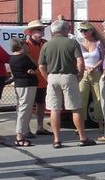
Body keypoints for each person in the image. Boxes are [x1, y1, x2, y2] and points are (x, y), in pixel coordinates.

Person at [37, 19, 96, 148]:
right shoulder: (72, 43)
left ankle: (57, 140)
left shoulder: (46, 45)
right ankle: (83, 138)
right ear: (64, 30)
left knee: (54, 109)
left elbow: (41, 66)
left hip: (52, 77)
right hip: (69, 76)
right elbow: (80, 61)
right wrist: (79, 75)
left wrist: (48, 78)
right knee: (75, 108)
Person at [76, 21, 105, 131]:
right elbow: (77, 59)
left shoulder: (98, 43)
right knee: (81, 98)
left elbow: (103, 58)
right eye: (81, 30)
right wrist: (85, 68)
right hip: (83, 74)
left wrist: (94, 67)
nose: (83, 32)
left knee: (98, 98)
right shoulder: (79, 43)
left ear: (91, 31)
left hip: (96, 73)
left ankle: (100, 124)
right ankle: (80, 125)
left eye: (85, 30)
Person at [9, 38, 38, 147]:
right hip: (27, 84)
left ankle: (20, 132)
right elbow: (35, 66)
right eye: (25, 45)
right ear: (21, 46)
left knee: (20, 108)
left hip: (19, 84)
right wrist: (29, 56)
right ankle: (20, 136)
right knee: (25, 108)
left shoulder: (12, 57)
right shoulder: (23, 57)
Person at [24, 20, 50, 137]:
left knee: (41, 103)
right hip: (31, 79)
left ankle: (40, 127)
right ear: (31, 32)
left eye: (42, 29)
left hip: (43, 79)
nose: (41, 31)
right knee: (29, 104)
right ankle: (26, 128)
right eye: (39, 29)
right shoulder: (25, 45)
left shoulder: (45, 43)